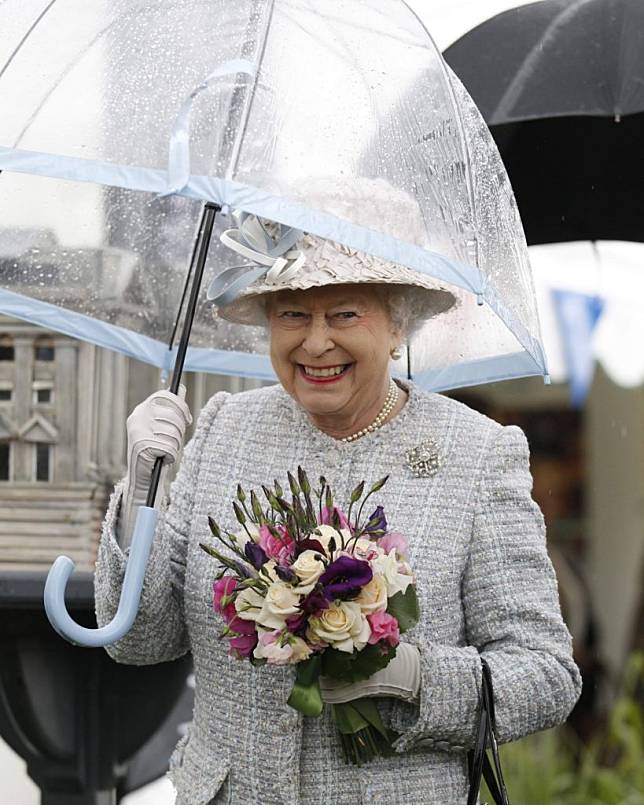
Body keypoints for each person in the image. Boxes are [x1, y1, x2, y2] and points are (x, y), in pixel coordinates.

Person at [94, 183, 581, 805]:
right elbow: (138, 642)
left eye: (345, 313)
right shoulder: (222, 428)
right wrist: (141, 491)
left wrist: (413, 678)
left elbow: (545, 676)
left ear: (398, 324)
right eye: (293, 313)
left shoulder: (478, 453)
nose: (315, 342)